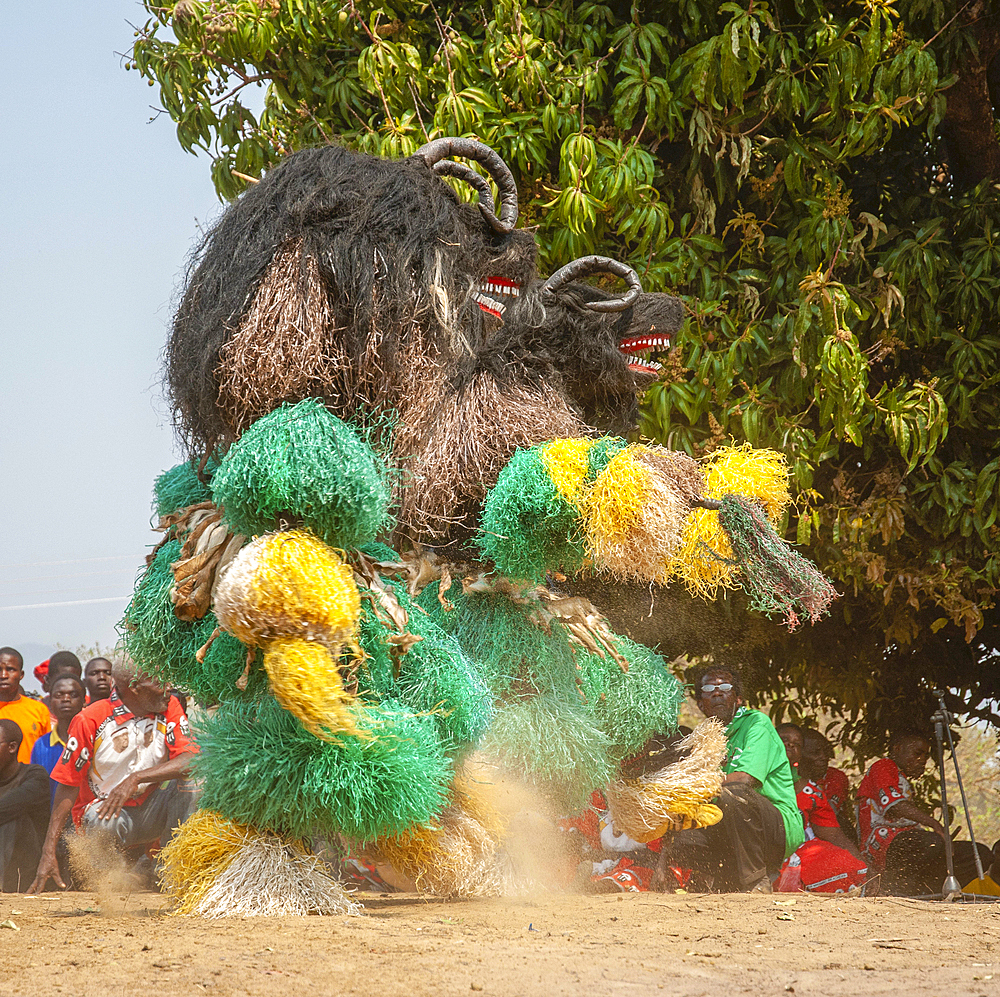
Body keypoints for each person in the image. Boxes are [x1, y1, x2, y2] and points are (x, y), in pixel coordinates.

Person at [28, 658, 199, 893]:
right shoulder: (90, 719)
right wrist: (48, 851)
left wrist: (136, 778)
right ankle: (110, 880)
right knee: (99, 820)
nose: (168, 687)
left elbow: (190, 760)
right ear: (135, 687)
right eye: (159, 681)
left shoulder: (169, 706)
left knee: (193, 783)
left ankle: (169, 872)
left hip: (153, 807)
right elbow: (67, 785)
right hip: (108, 814)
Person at [654, 666, 804, 893]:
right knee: (680, 821)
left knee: (734, 793)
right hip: (734, 824)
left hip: (775, 827)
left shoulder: (756, 723)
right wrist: (663, 860)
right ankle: (719, 880)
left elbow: (745, 779)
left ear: (739, 698)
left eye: (725, 687)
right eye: (708, 689)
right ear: (701, 703)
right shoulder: (704, 736)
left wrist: (692, 788)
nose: (717, 692)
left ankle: (756, 882)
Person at [857, 731, 993, 895]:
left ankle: (924, 890)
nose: (922, 760)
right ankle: (894, 888)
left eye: (925, 756)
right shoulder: (884, 766)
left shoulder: (902, 778)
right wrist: (934, 824)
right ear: (897, 749)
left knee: (980, 854)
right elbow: (894, 805)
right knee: (931, 842)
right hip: (881, 843)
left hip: (910, 842)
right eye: (917, 753)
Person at [775, 723, 868, 893]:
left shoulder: (811, 792)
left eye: (797, 745)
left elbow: (835, 836)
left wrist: (869, 870)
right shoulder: (752, 779)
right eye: (784, 740)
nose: (790, 745)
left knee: (844, 862)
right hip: (765, 857)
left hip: (804, 855)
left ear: (800, 755)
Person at [0, 719, 51, 892]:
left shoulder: (35, 776)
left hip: (26, 871)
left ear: (12, 747)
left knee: (11, 819)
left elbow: (5, 808)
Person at [30, 675, 86, 804]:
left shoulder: (94, 740)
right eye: (59, 695)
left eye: (73, 694)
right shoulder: (41, 745)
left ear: (84, 701)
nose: (66, 699)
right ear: (50, 702)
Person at [800, 727, 856, 842]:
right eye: (816, 753)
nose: (824, 757)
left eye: (825, 752)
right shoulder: (786, 779)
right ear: (799, 755)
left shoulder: (834, 777)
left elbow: (827, 815)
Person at [0, 647, 51, 763]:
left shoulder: (39, 710)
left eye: (10, 669)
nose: (3, 675)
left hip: (30, 779)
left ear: (21, 674)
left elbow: (46, 753)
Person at [40, 651, 83, 717]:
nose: (68, 687)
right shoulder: (33, 714)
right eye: (61, 681)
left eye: (73, 681)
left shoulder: (88, 716)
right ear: (48, 680)